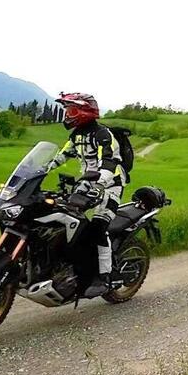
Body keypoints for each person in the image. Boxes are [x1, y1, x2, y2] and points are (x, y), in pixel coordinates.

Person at [47, 92, 127, 298]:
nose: (68, 115)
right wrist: (41, 170)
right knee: (67, 218)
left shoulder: (102, 134)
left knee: (98, 227)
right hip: (88, 182)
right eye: (67, 110)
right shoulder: (76, 135)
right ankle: (73, 265)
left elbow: (110, 161)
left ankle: (105, 277)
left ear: (85, 112)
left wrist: (100, 184)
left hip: (110, 184)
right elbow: (62, 156)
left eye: (72, 110)